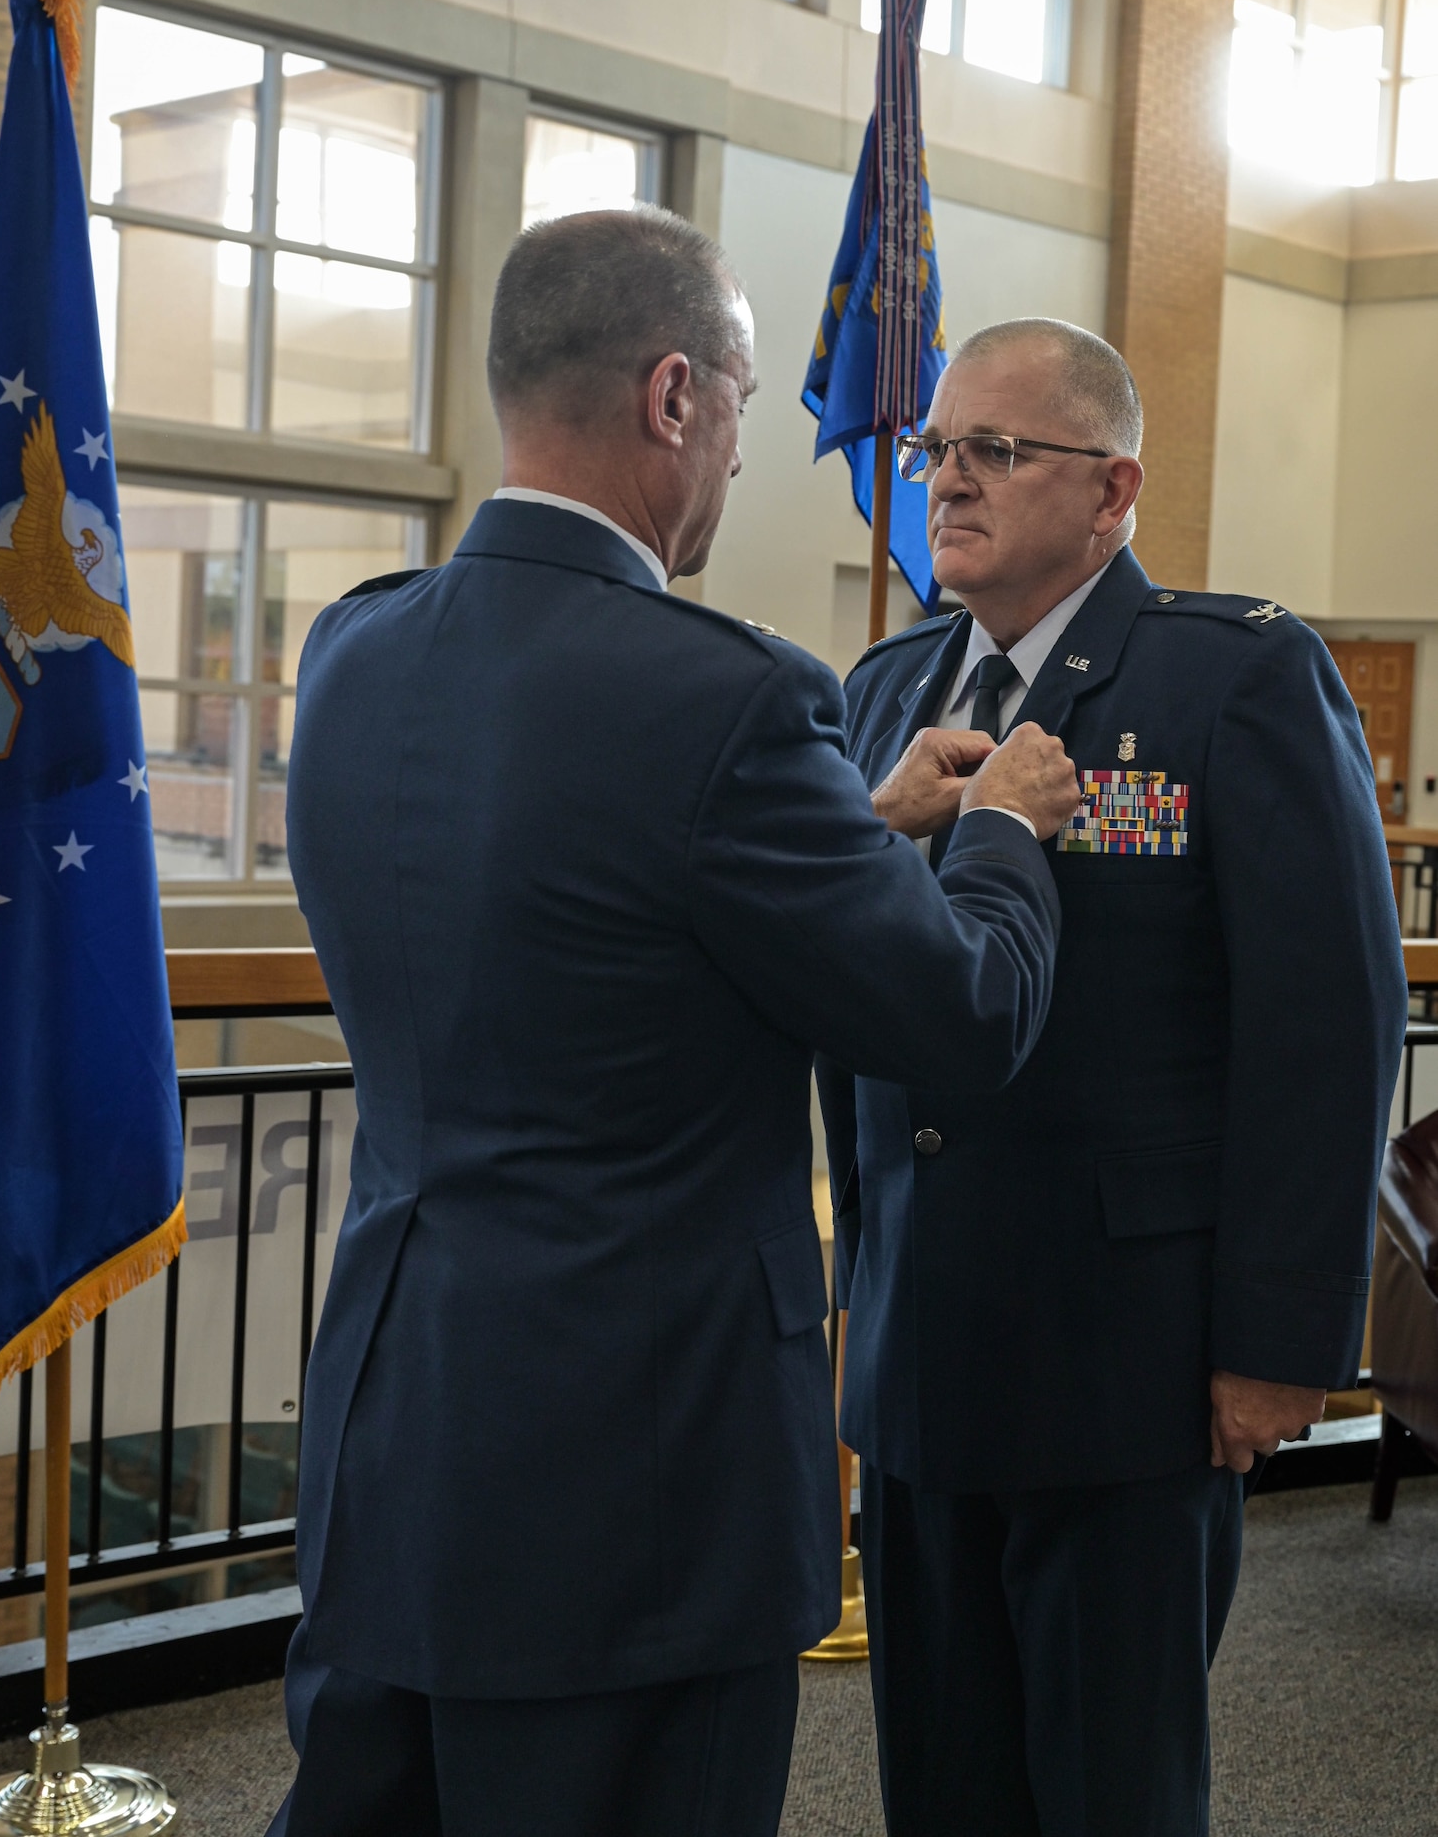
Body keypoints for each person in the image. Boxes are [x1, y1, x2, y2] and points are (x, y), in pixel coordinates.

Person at [268, 216, 1080, 1837]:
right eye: (741, 400)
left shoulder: (353, 649)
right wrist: (1005, 838)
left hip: (401, 1432)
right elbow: (964, 1010)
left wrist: (856, 821)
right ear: (670, 398)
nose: (732, 458)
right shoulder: (727, 694)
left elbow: (595, 906)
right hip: (637, 1486)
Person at [818, 317, 1408, 1837]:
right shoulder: (881, 695)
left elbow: (1323, 1023)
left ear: (1113, 489)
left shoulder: (1232, 678)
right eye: (936, 449)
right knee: (940, 1787)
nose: (949, 481)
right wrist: (859, 1298)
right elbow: (858, 1016)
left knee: (1111, 1794)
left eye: (998, 452)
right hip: (925, 1352)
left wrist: (1281, 1341)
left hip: (1127, 1362)